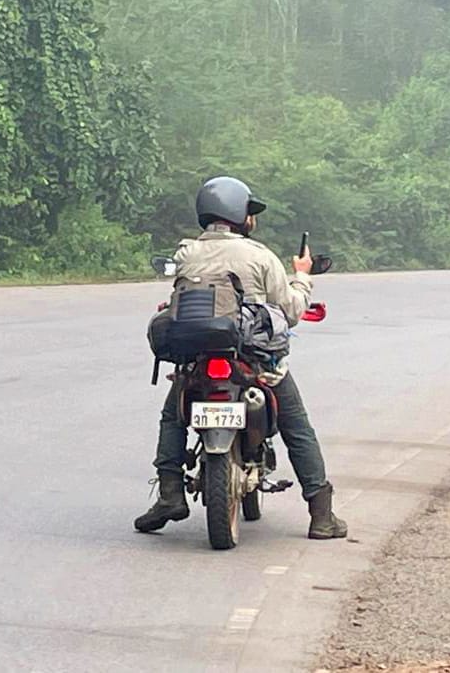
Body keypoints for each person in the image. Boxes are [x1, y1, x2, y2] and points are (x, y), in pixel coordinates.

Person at [134, 176, 348, 540]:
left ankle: (171, 494)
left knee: (173, 419)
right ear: (240, 214)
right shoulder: (260, 256)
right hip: (256, 363)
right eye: (250, 212)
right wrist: (302, 276)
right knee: (297, 428)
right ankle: (321, 515)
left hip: (198, 361)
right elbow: (292, 310)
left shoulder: (186, 253)